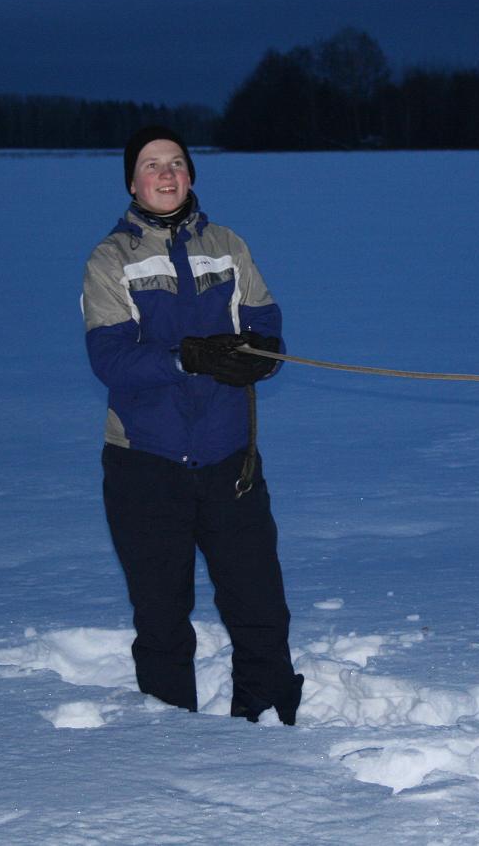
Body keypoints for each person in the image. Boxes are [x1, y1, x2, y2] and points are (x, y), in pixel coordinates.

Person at [80, 125, 304, 725]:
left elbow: (265, 323)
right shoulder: (111, 259)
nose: (166, 174)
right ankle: (169, 744)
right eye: (152, 165)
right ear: (133, 181)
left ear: (191, 175)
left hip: (230, 459)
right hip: (145, 464)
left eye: (176, 163)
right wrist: (187, 357)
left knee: (260, 606)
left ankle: (267, 726)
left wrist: (256, 352)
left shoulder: (228, 244)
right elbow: (111, 360)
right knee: (161, 615)